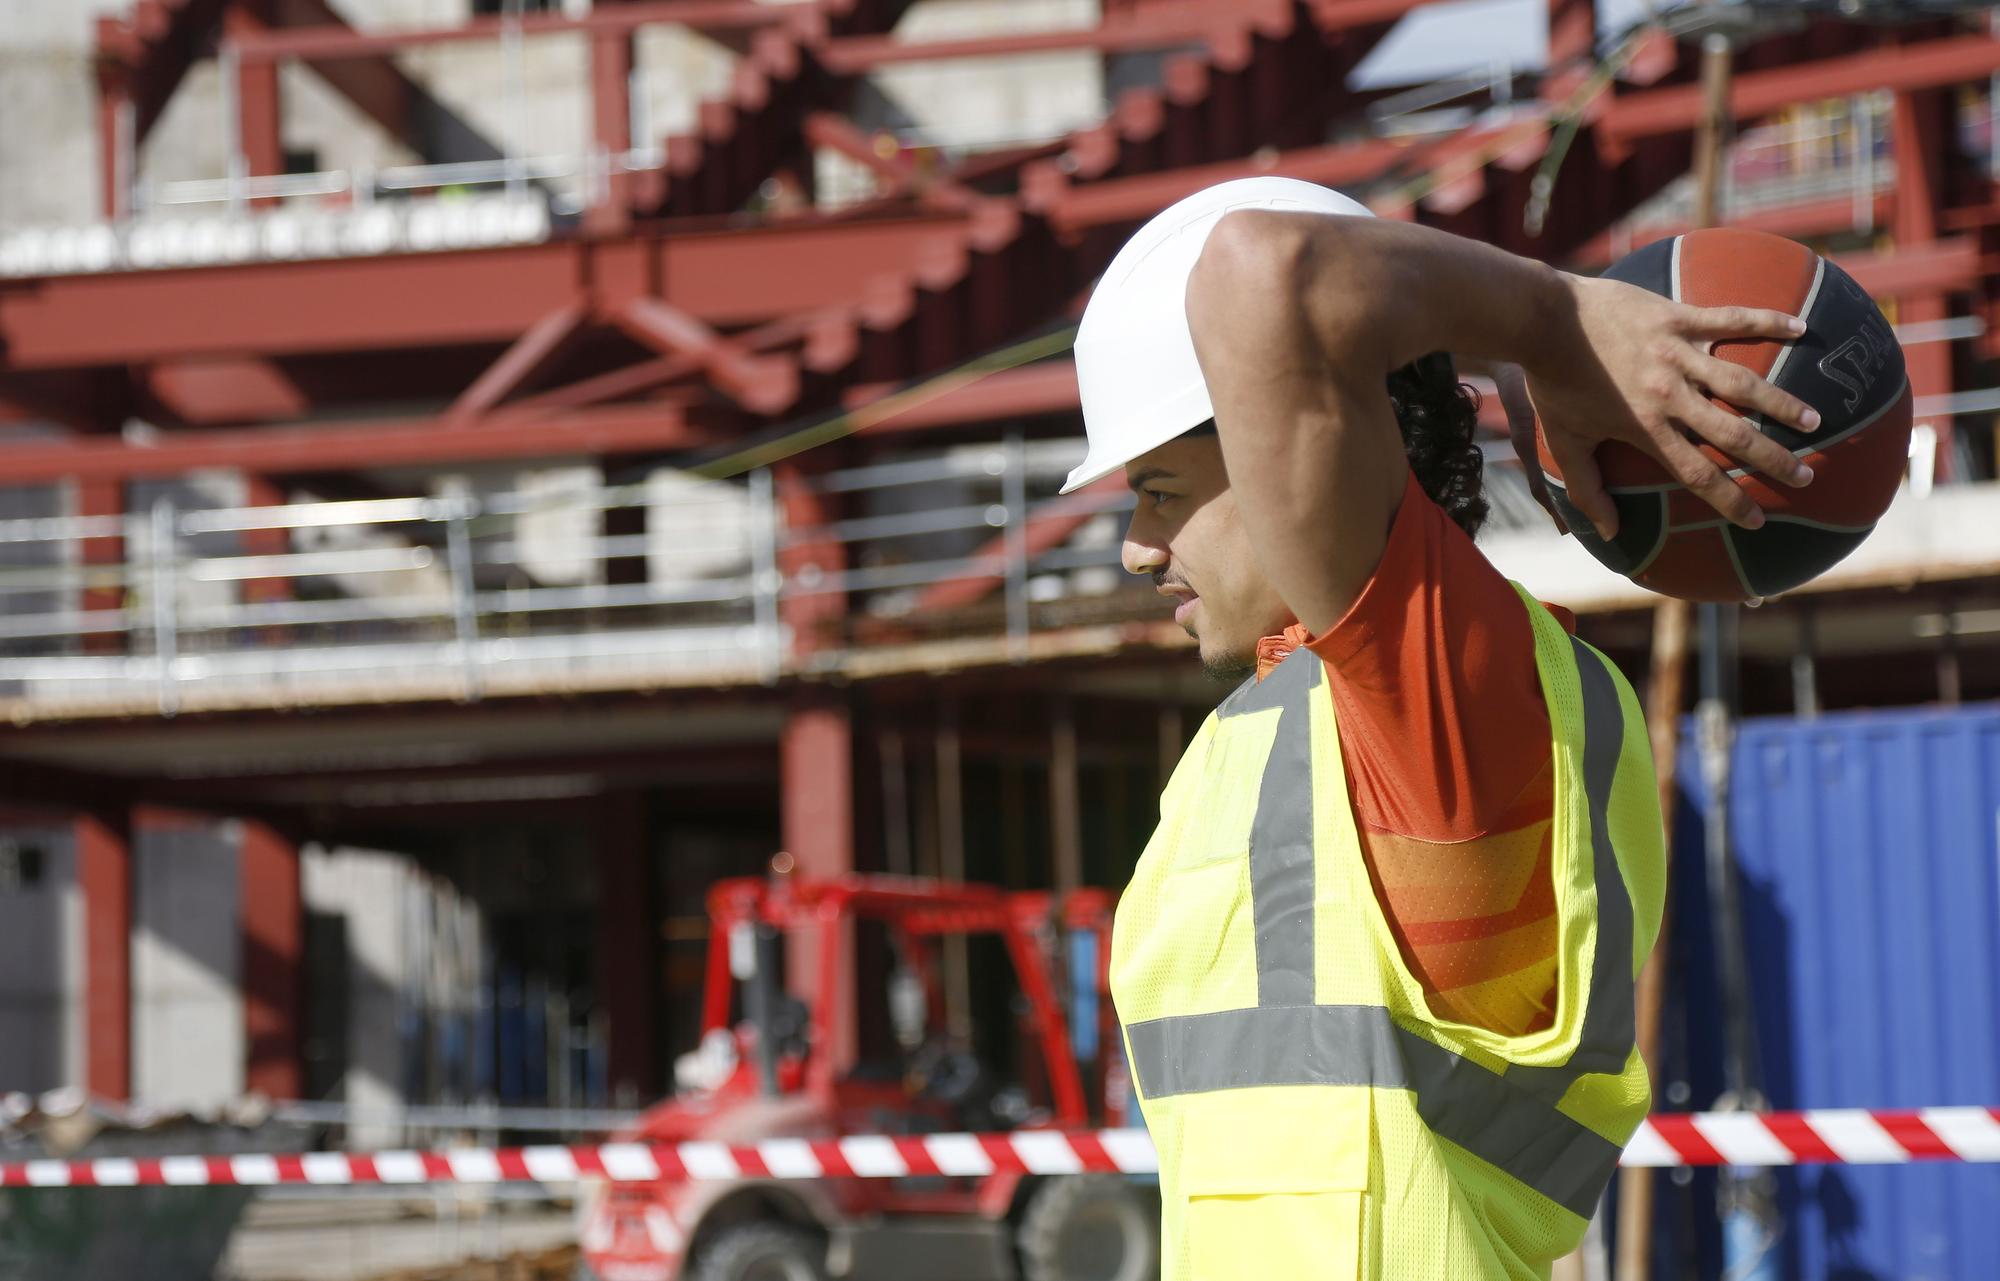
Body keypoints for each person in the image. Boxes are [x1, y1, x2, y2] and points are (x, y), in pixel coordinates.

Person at [1071, 178, 1819, 1279]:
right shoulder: (1263, 736)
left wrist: (1556, 325)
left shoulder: (1435, 702)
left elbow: (1261, 274)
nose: (1136, 547)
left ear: (1312, 441)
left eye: (1163, 490)